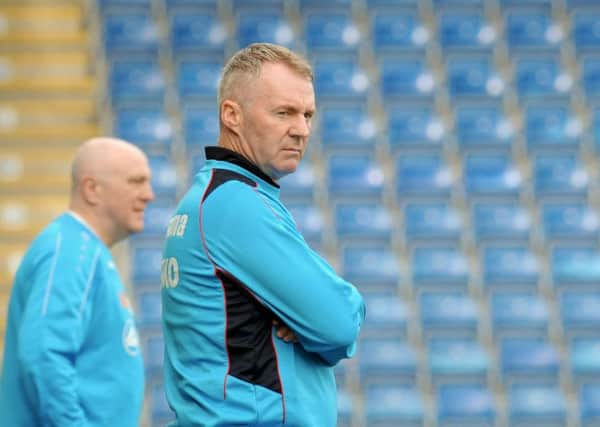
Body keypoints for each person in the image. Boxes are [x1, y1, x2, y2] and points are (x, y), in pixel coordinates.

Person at [161, 43, 366, 426]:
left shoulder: (217, 198)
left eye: (308, 115)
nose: (302, 130)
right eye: (283, 113)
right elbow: (338, 323)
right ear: (231, 115)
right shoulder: (235, 205)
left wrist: (310, 315)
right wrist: (340, 305)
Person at [0, 137, 154, 426]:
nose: (149, 195)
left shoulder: (86, 250)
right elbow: (43, 355)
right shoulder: (70, 251)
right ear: (92, 189)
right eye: (136, 181)